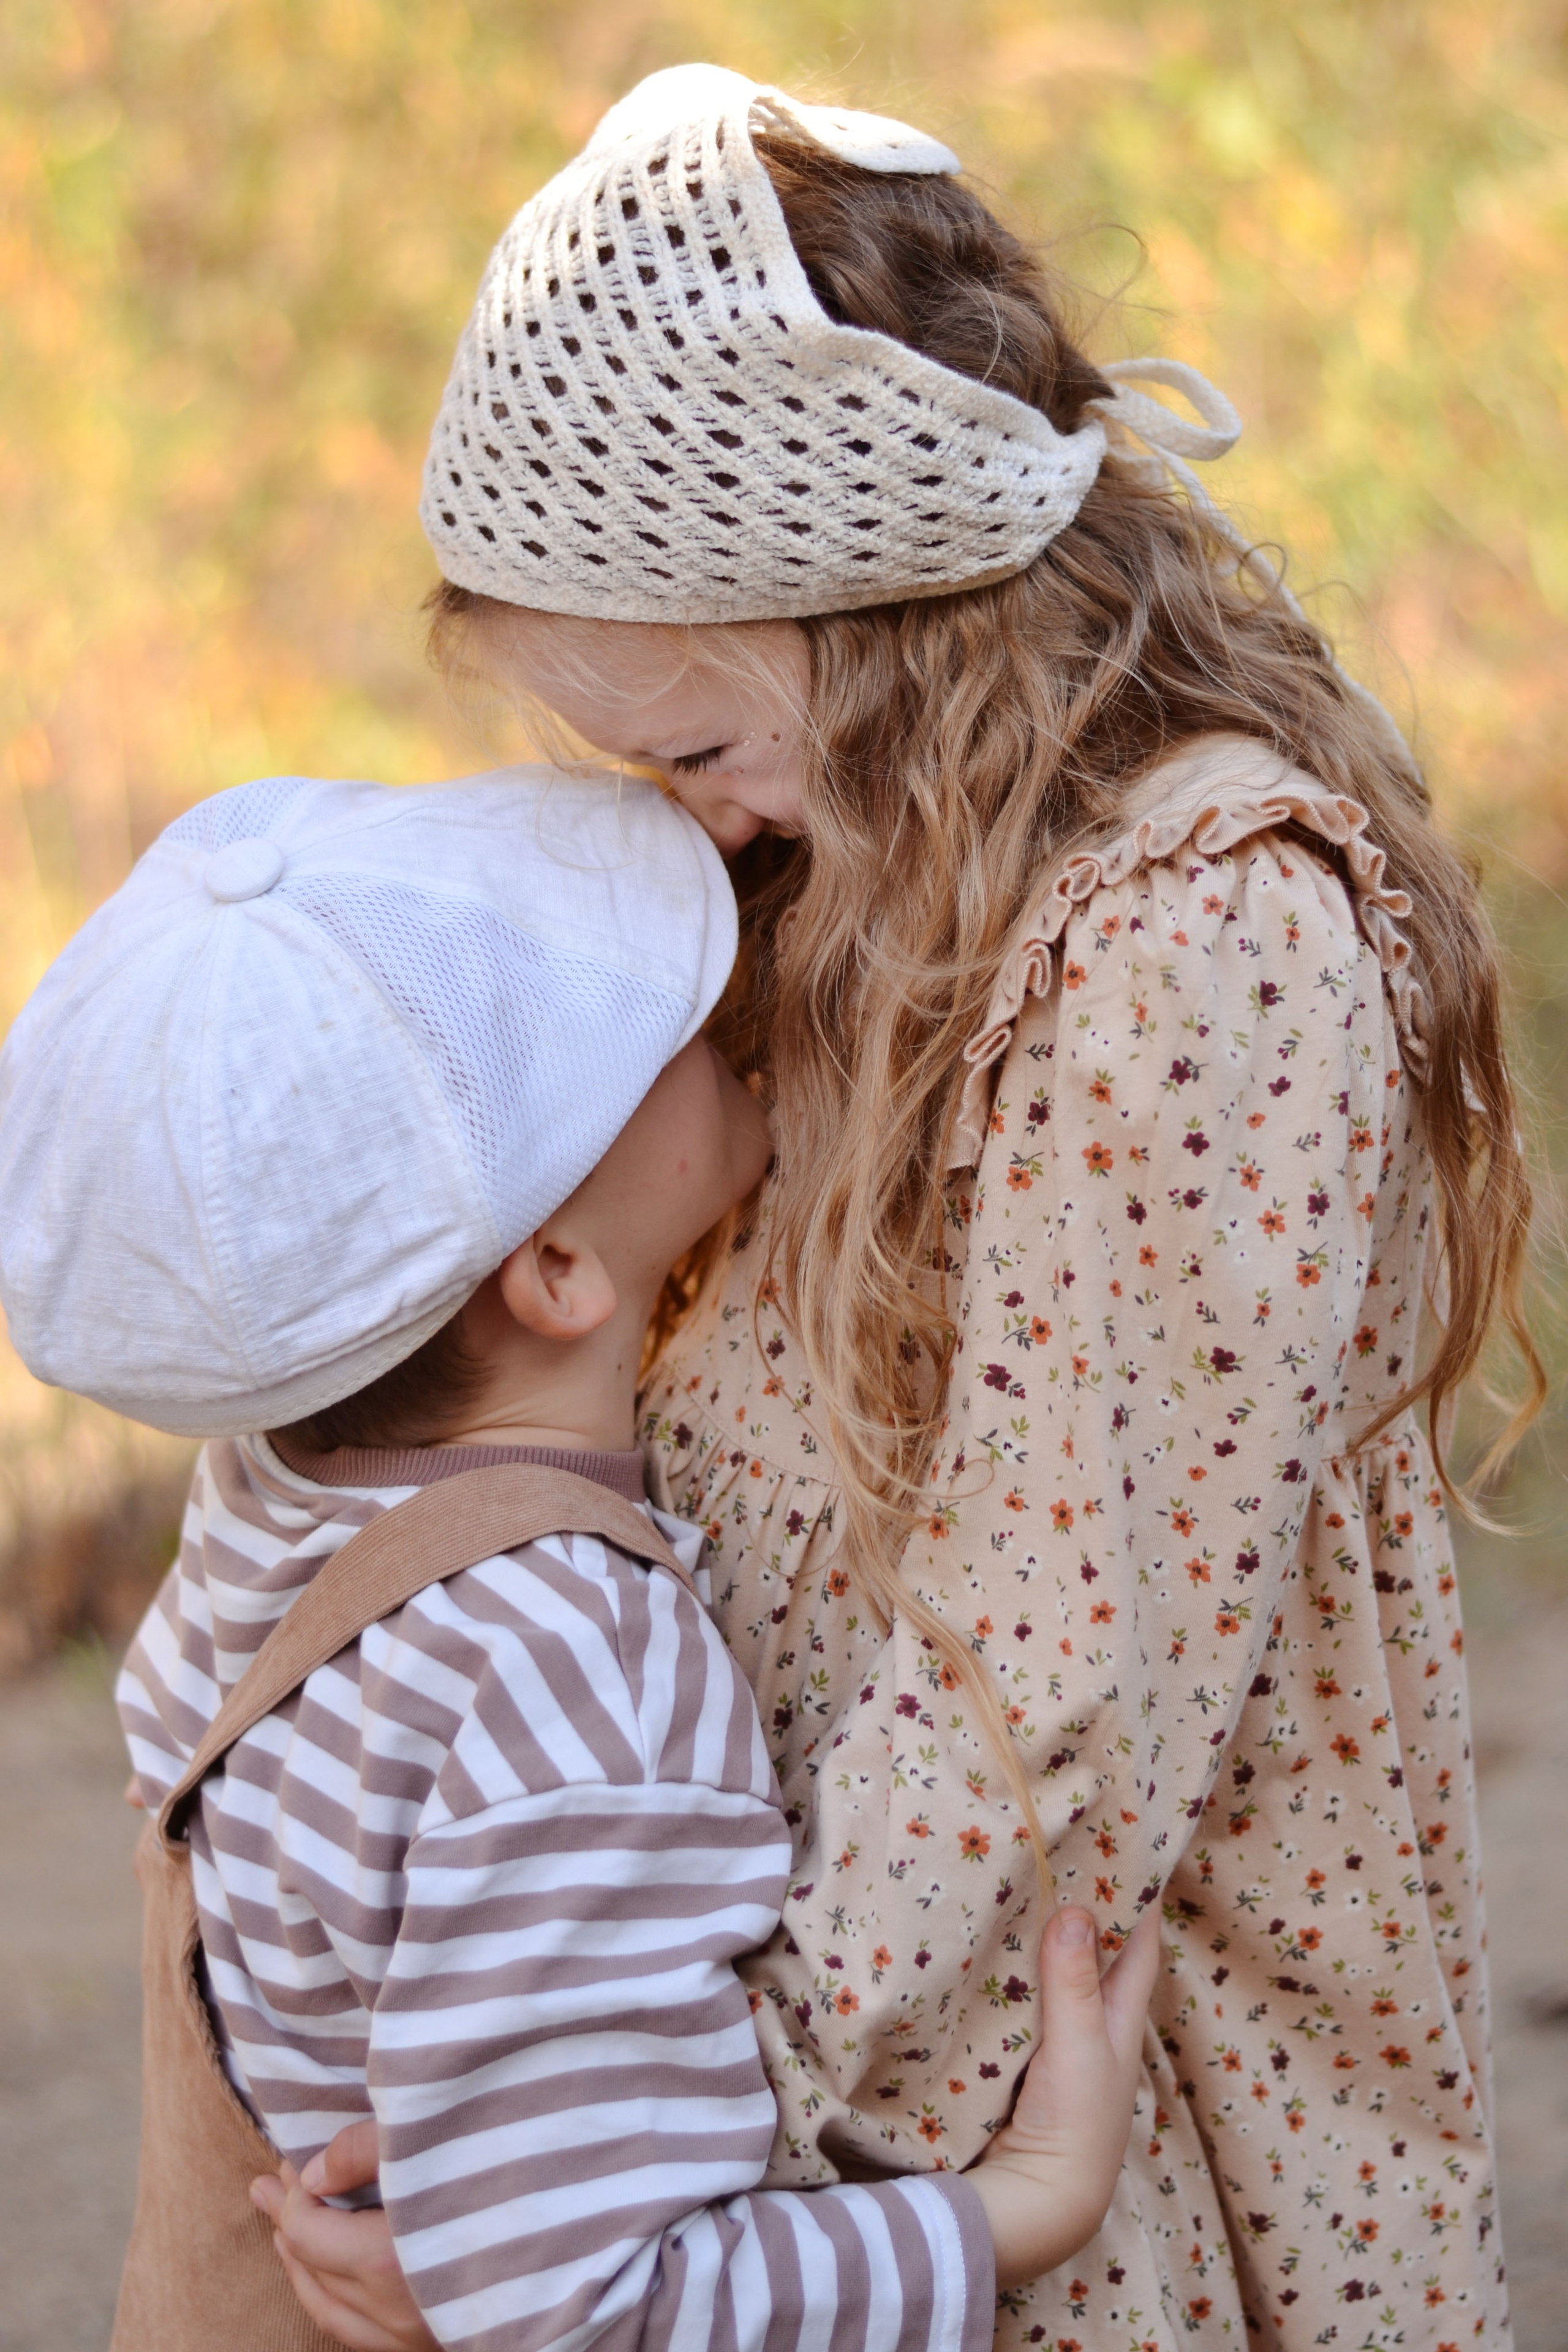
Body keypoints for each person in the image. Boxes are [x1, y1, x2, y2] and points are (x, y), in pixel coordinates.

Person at [278, 61, 1539, 2352]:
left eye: (690, 753)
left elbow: (1050, 1682)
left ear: (848, 609)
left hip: (1055, 2065)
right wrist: (541, 2101)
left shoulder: (1195, 946)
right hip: (795, 2019)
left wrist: (655, 2158)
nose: (703, 830)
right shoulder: (853, 869)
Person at [0, 769, 1158, 2352]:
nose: (724, 991)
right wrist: (1030, 2201)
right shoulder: (567, 1659)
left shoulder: (267, 1496)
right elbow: (600, 2309)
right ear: (552, 1268)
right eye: (648, 1024)